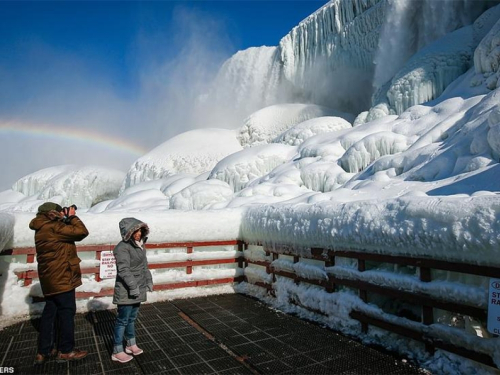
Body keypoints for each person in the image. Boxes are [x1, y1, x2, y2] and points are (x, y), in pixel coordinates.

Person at [29, 202, 89, 365]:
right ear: (51, 213)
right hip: (62, 277)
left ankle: (45, 350)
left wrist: (63, 218)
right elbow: (82, 232)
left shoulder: (42, 227)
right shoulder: (54, 228)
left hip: (49, 278)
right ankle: (66, 350)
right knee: (67, 312)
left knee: (50, 312)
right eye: (59, 211)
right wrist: (72, 217)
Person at [111, 217, 153, 363]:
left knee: (132, 318)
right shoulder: (122, 247)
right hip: (126, 290)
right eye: (135, 230)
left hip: (139, 288)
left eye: (140, 230)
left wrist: (148, 281)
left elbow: (144, 266)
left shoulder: (140, 245)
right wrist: (133, 287)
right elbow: (123, 270)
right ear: (128, 232)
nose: (139, 233)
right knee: (122, 320)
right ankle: (117, 350)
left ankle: (131, 344)